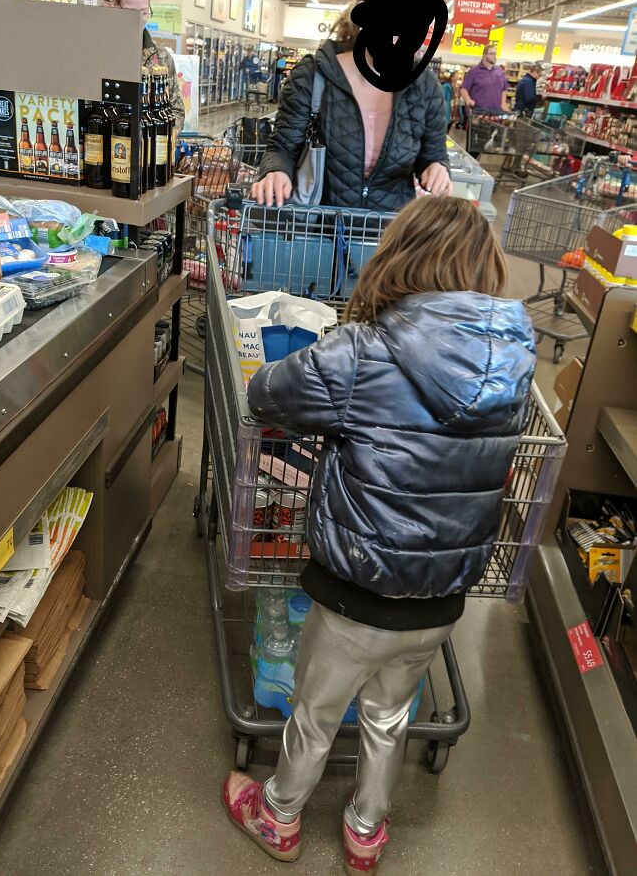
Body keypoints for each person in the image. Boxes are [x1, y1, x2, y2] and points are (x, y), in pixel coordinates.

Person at [222, 195, 536, 873]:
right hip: (442, 594)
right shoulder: (512, 359)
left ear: (401, 256)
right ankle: (366, 828)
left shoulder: (363, 352)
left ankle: (278, 816)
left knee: (315, 712)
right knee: (390, 714)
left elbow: (268, 394)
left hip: (359, 590)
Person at [252, 0, 451, 209]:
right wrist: (276, 171)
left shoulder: (424, 86)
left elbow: (433, 153)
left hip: (388, 232)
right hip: (318, 228)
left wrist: (437, 168)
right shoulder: (314, 76)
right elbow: (282, 146)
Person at [111, 0, 185, 133]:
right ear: (115, 5)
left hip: (150, 151)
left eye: (144, 11)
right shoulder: (100, 52)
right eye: (131, 12)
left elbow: (177, 111)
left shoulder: (162, 58)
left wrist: (159, 137)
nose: (140, 19)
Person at [460, 44, 509, 114]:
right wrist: (468, 100)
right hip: (478, 112)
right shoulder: (474, 71)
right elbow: (463, 89)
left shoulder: (499, 71)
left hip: (496, 113)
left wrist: (503, 104)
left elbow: (504, 89)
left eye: (495, 54)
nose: (494, 56)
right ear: (484, 55)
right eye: (491, 54)